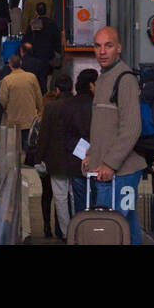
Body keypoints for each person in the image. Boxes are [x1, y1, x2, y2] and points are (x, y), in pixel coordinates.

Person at [83, 26, 145, 244]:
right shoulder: (103, 78)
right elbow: (104, 127)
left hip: (119, 173)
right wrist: (92, 154)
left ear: (119, 48)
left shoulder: (125, 79)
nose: (102, 51)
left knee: (109, 231)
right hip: (107, 171)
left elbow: (132, 127)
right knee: (127, 228)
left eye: (108, 46)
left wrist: (109, 163)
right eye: (97, 46)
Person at [31, 73, 85, 239]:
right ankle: (79, 230)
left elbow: (44, 135)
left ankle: (67, 233)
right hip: (77, 158)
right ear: (72, 87)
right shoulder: (79, 105)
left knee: (60, 198)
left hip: (57, 161)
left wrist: (38, 158)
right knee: (76, 196)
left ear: (56, 89)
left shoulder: (51, 108)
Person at [66, 69, 98, 216]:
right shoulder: (98, 105)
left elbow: (64, 133)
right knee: (99, 199)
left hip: (76, 159)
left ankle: (82, 227)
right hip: (97, 160)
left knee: (80, 201)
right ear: (91, 85)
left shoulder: (70, 104)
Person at [0, 53, 43, 152]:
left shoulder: (7, 80)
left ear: (10, 65)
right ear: (21, 63)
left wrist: (6, 109)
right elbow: (38, 96)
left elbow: (3, 98)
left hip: (14, 116)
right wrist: (40, 110)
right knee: (29, 141)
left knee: (15, 145)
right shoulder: (31, 77)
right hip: (30, 116)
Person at [22, 1, 61, 72]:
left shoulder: (34, 23)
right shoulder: (52, 23)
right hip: (49, 55)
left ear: (36, 12)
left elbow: (27, 39)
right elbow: (57, 40)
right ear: (46, 11)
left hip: (36, 55)